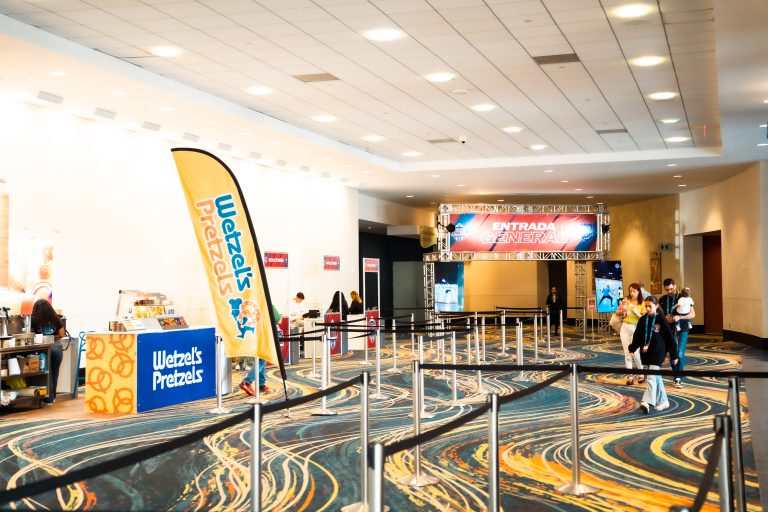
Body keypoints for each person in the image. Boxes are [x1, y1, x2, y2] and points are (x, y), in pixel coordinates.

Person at [628, 295, 679, 414]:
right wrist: (632, 348)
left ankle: (646, 401)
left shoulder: (661, 319)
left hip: (659, 352)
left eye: (649, 306)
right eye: (646, 306)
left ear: (656, 306)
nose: (647, 309)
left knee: (651, 376)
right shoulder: (643, 319)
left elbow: (670, 338)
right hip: (647, 352)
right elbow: (637, 336)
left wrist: (674, 355)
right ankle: (664, 401)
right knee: (656, 377)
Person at [659, 278, 695, 388]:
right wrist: (665, 318)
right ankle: (676, 376)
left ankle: (678, 378)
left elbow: (692, 314)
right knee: (673, 352)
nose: (670, 291)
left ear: (675, 286)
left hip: (683, 327)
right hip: (669, 329)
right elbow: (660, 315)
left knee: (680, 352)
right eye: (667, 289)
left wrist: (680, 317)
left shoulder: (684, 297)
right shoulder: (662, 299)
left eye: (671, 288)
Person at [239, 304, 281, 396]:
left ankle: (261, 384)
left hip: (254, 333)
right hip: (265, 334)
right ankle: (247, 382)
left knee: (261, 358)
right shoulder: (266, 302)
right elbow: (278, 319)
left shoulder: (252, 303)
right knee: (261, 360)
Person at [30, 298, 65, 405]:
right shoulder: (55, 318)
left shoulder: (34, 320)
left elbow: (32, 334)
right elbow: (62, 334)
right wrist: (53, 337)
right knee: (55, 373)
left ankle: (47, 398)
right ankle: (52, 398)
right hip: (57, 347)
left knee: (46, 373)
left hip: (44, 349)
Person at [616, 283, 645, 385]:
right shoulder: (626, 300)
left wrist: (636, 312)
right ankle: (630, 375)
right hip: (625, 327)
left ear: (638, 292)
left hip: (637, 328)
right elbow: (617, 312)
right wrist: (622, 311)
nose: (632, 293)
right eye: (630, 291)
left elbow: (644, 318)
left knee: (635, 352)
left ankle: (641, 372)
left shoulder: (642, 302)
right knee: (627, 352)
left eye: (634, 291)